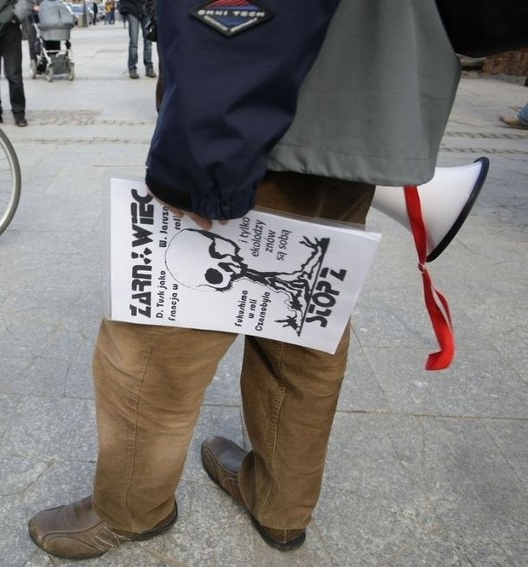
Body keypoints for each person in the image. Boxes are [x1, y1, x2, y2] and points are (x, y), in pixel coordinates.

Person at [27, 1, 461, 559]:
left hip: (260, 110)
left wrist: (203, 156)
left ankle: (132, 510)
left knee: (154, 349)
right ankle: (282, 508)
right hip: (371, 109)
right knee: (305, 334)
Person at [118, 0, 154, 79]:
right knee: (134, 41)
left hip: (146, 9)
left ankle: (149, 68)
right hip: (132, 8)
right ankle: (132, 68)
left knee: (148, 41)